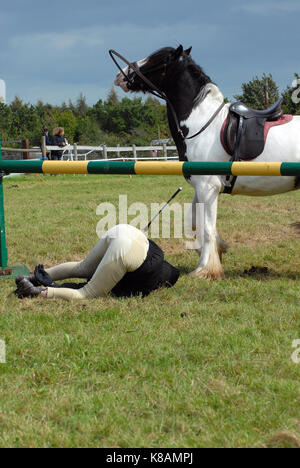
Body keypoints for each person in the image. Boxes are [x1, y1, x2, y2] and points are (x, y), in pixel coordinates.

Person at [15, 224, 180, 301]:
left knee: (82, 267)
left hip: (124, 230)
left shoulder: (158, 256)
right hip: (126, 250)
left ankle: (32, 277)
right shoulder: (149, 281)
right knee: (86, 293)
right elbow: (118, 289)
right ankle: (36, 292)